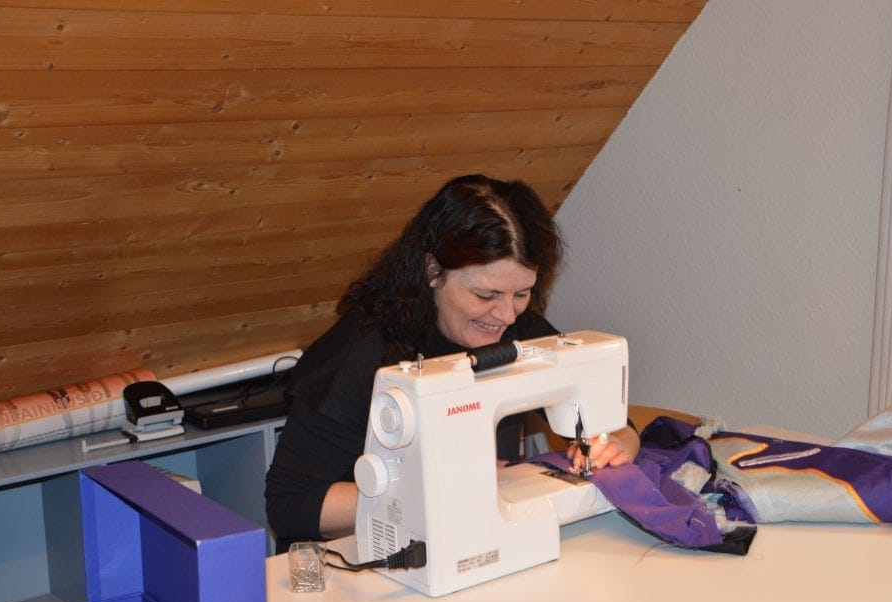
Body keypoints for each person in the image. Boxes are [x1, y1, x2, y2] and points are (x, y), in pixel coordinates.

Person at [264, 174, 640, 551]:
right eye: (486, 295)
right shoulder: (360, 354)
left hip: (472, 539)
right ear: (433, 271)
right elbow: (289, 505)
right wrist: (432, 493)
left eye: (522, 294)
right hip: (365, 554)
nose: (506, 315)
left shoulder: (521, 331)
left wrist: (620, 440)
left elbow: (606, 415)